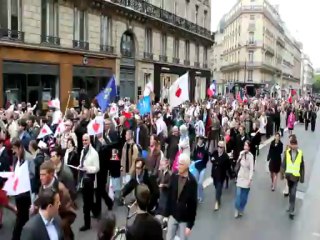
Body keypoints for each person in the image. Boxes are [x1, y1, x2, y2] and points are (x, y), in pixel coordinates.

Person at [38, 160, 77, 240]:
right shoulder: (43, 186)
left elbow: (65, 206)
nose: (40, 178)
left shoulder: (61, 189)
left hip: (64, 215)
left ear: (51, 174)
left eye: (43, 175)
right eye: (40, 175)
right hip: (51, 215)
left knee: (63, 231)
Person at [165, 153, 198, 240]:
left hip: (184, 218)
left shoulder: (192, 182)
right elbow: (169, 195)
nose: (178, 166)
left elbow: (193, 205)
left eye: (181, 164)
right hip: (173, 215)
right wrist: (166, 214)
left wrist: (190, 225)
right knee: (168, 238)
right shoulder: (174, 176)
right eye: (178, 163)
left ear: (187, 165)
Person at [11, 138, 32, 240]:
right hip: (19, 193)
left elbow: (32, 176)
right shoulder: (17, 158)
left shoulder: (28, 159)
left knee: (21, 219)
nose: (13, 151)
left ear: (20, 148)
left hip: (25, 194)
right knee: (22, 218)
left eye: (15, 148)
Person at [78, 133, 100, 231]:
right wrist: (80, 166)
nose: (84, 142)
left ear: (90, 140)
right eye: (83, 140)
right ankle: (96, 211)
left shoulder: (94, 153)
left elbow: (97, 168)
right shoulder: (83, 151)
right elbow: (82, 162)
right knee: (89, 201)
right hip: (83, 179)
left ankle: (87, 224)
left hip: (89, 181)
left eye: (86, 140)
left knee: (86, 204)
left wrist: (87, 169)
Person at [281, 137, 305, 220]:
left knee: (293, 192)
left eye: (295, 144)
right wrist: (282, 174)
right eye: (292, 144)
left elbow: (302, 166)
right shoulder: (287, 153)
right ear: (290, 145)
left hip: (296, 177)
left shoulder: (300, 153)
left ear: (297, 145)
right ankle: (290, 204)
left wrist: (302, 177)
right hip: (288, 176)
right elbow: (284, 164)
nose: (294, 146)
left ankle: (292, 210)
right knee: (291, 192)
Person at [234, 140, 254, 218]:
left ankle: (241, 209)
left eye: (247, 146)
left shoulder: (251, 156)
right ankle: (236, 209)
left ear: (249, 147)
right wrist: (240, 157)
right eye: (244, 145)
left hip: (247, 178)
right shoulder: (241, 153)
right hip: (240, 176)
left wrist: (250, 179)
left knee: (244, 197)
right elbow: (237, 163)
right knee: (238, 195)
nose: (245, 147)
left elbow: (252, 168)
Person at [210, 141, 231, 211]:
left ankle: (216, 202)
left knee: (218, 188)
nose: (219, 148)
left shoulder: (225, 157)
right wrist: (215, 161)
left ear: (223, 148)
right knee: (216, 187)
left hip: (221, 176)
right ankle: (219, 199)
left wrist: (231, 174)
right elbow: (211, 159)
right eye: (218, 146)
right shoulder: (215, 153)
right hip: (214, 174)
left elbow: (228, 167)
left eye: (221, 147)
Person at [192, 135, 209, 203]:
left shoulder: (205, 148)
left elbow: (206, 159)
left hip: (202, 168)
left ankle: (200, 196)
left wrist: (203, 163)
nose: (200, 141)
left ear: (203, 141)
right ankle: (196, 195)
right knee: (196, 182)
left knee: (200, 182)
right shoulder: (195, 147)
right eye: (199, 140)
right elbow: (193, 156)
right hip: (196, 167)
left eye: (201, 140)